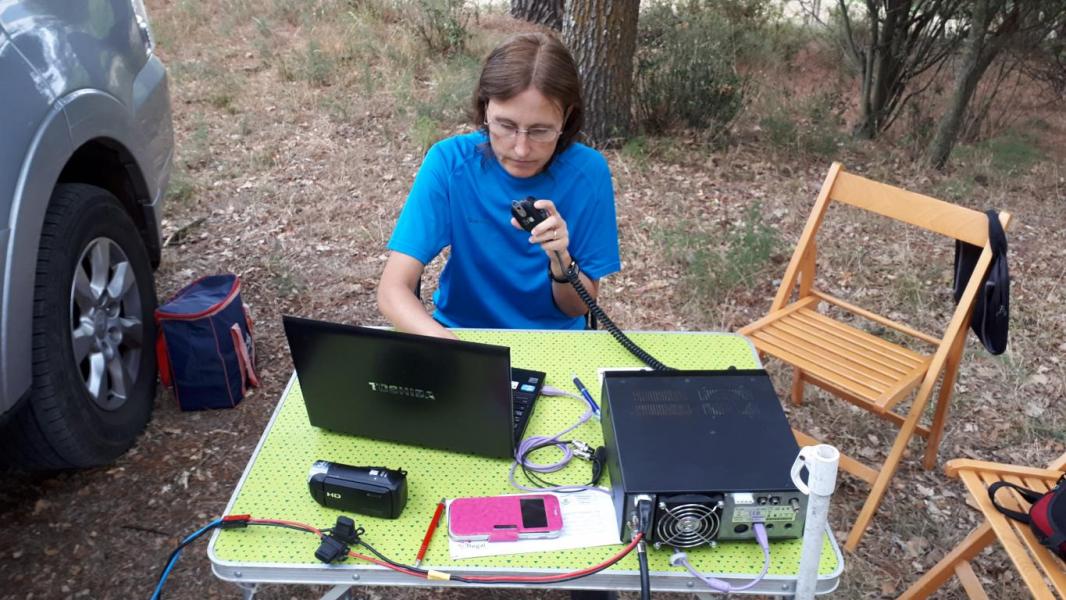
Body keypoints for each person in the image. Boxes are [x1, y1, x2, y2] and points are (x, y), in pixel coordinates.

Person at [377, 32, 620, 339]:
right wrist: (455, 351)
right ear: (485, 107)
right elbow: (393, 290)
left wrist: (561, 261)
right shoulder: (450, 163)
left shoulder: (588, 173)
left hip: (555, 341)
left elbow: (576, 307)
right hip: (460, 333)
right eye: (505, 125)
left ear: (567, 117)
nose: (521, 149)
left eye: (540, 131)